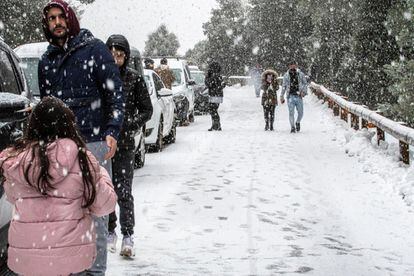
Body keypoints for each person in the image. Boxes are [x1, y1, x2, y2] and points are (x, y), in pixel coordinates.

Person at [38, 1, 124, 274]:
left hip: (95, 142)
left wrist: (112, 131)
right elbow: (47, 105)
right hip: (61, 147)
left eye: (60, 17)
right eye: (51, 19)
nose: (56, 23)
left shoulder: (94, 49)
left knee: (96, 212)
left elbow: (115, 94)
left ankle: (95, 271)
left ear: (70, 18)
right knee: (66, 214)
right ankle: (73, 268)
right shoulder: (46, 61)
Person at [0, 97, 117, 276]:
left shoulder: (17, 163)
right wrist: (99, 172)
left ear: (32, 126)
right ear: (68, 125)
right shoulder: (82, 161)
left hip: (27, 260)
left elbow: (11, 196)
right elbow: (105, 205)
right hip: (72, 259)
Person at [105, 34, 153, 258]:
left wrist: (130, 124)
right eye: (112, 54)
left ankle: (128, 235)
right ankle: (109, 231)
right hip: (103, 144)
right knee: (105, 191)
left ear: (126, 56)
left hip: (124, 144)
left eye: (120, 55)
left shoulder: (134, 79)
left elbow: (147, 109)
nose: (115, 59)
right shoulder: (100, 78)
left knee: (124, 191)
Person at [280, 60, 308, 133]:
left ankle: (298, 122)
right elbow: (283, 86)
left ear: (296, 65)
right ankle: (292, 127)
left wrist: (304, 92)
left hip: (299, 96)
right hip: (290, 96)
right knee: (291, 113)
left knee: (301, 113)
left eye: (294, 64)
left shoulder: (300, 74)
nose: (292, 66)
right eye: (291, 65)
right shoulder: (286, 75)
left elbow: (305, 83)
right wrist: (282, 96)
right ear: (289, 66)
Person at [205, 61, 226, 131]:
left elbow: (208, 84)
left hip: (214, 94)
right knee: (214, 110)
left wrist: (210, 79)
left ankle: (216, 125)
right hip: (217, 94)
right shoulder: (218, 76)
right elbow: (222, 85)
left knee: (212, 110)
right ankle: (216, 124)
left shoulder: (212, 75)